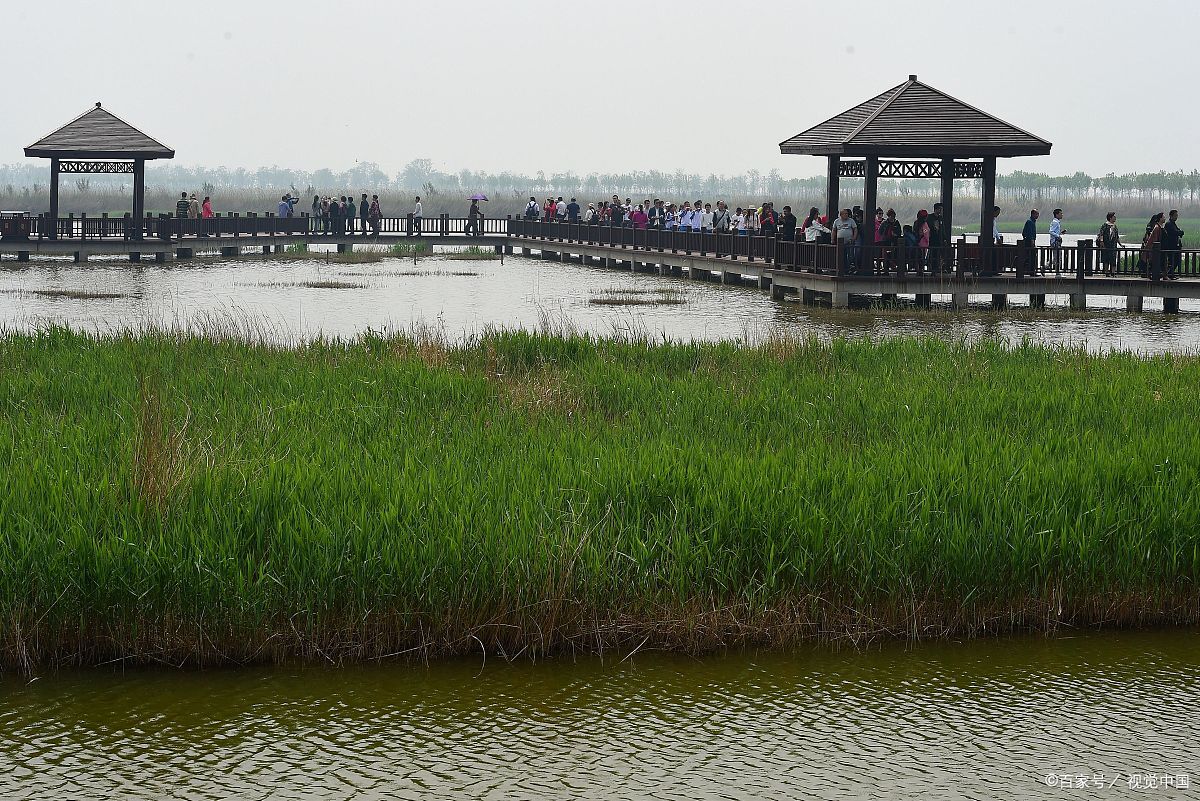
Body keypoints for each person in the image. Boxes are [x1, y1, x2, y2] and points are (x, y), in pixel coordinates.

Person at [1141, 213, 1165, 279]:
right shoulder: (1156, 228)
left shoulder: (1158, 227)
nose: (1165, 218)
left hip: (1152, 248)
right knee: (1152, 261)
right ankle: (1152, 274)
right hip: (1153, 249)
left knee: (1151, 262)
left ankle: (1151, 274)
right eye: (1164, 217)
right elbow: (1155, 240)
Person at [1162, 210, 1184, 279]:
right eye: (1175, 215)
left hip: (1175, 246)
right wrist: (1180, 232)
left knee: (1176, 261)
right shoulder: (1169, 224)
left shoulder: (1173, 224)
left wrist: (1180, 232)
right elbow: (1175, 232)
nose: (1176, 217)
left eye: (1177, 215)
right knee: (1172, 261)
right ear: (1171, 216)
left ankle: (1171, 274)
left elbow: (1178, 231)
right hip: (1170, 247)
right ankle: (1169, 274)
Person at [1098, 212, 1120, 276]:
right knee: (1106, 259)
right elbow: (1101, 234)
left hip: (1113, 246)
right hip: (1106, 245)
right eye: (1114, 216)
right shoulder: (1105, 225)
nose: (1115, 218)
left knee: (1113, 259)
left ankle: (1113, 272)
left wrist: (1120, 244)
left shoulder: (1115, 226)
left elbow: (1117, 236)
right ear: (1110, 218)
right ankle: (1106, 272)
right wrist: (1102, 242)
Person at [1021, 209, 1039, 276]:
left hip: (1029, 241)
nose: (1037, 215)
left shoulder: (1032, 221)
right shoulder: (1030, 222)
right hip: (1029, 242)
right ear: (1032, 214)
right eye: (1036, 214)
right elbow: (1029, 233)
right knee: (1031, 256)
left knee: (1030, 256)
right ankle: (1031, 272)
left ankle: (1030, 271)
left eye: (1038, 214)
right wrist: (1032, 242)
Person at [927, 203, 944, 273]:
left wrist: (944, 238)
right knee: (932, 254)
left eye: (941, 209)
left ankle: (937, 268)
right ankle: (931, 268)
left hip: (939, 239)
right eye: (939, 209)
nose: (940, 211)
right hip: (932, 239)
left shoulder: (940, 218)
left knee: (938, 254)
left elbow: (943, 229)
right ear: (935, 209)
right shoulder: (930, 217)